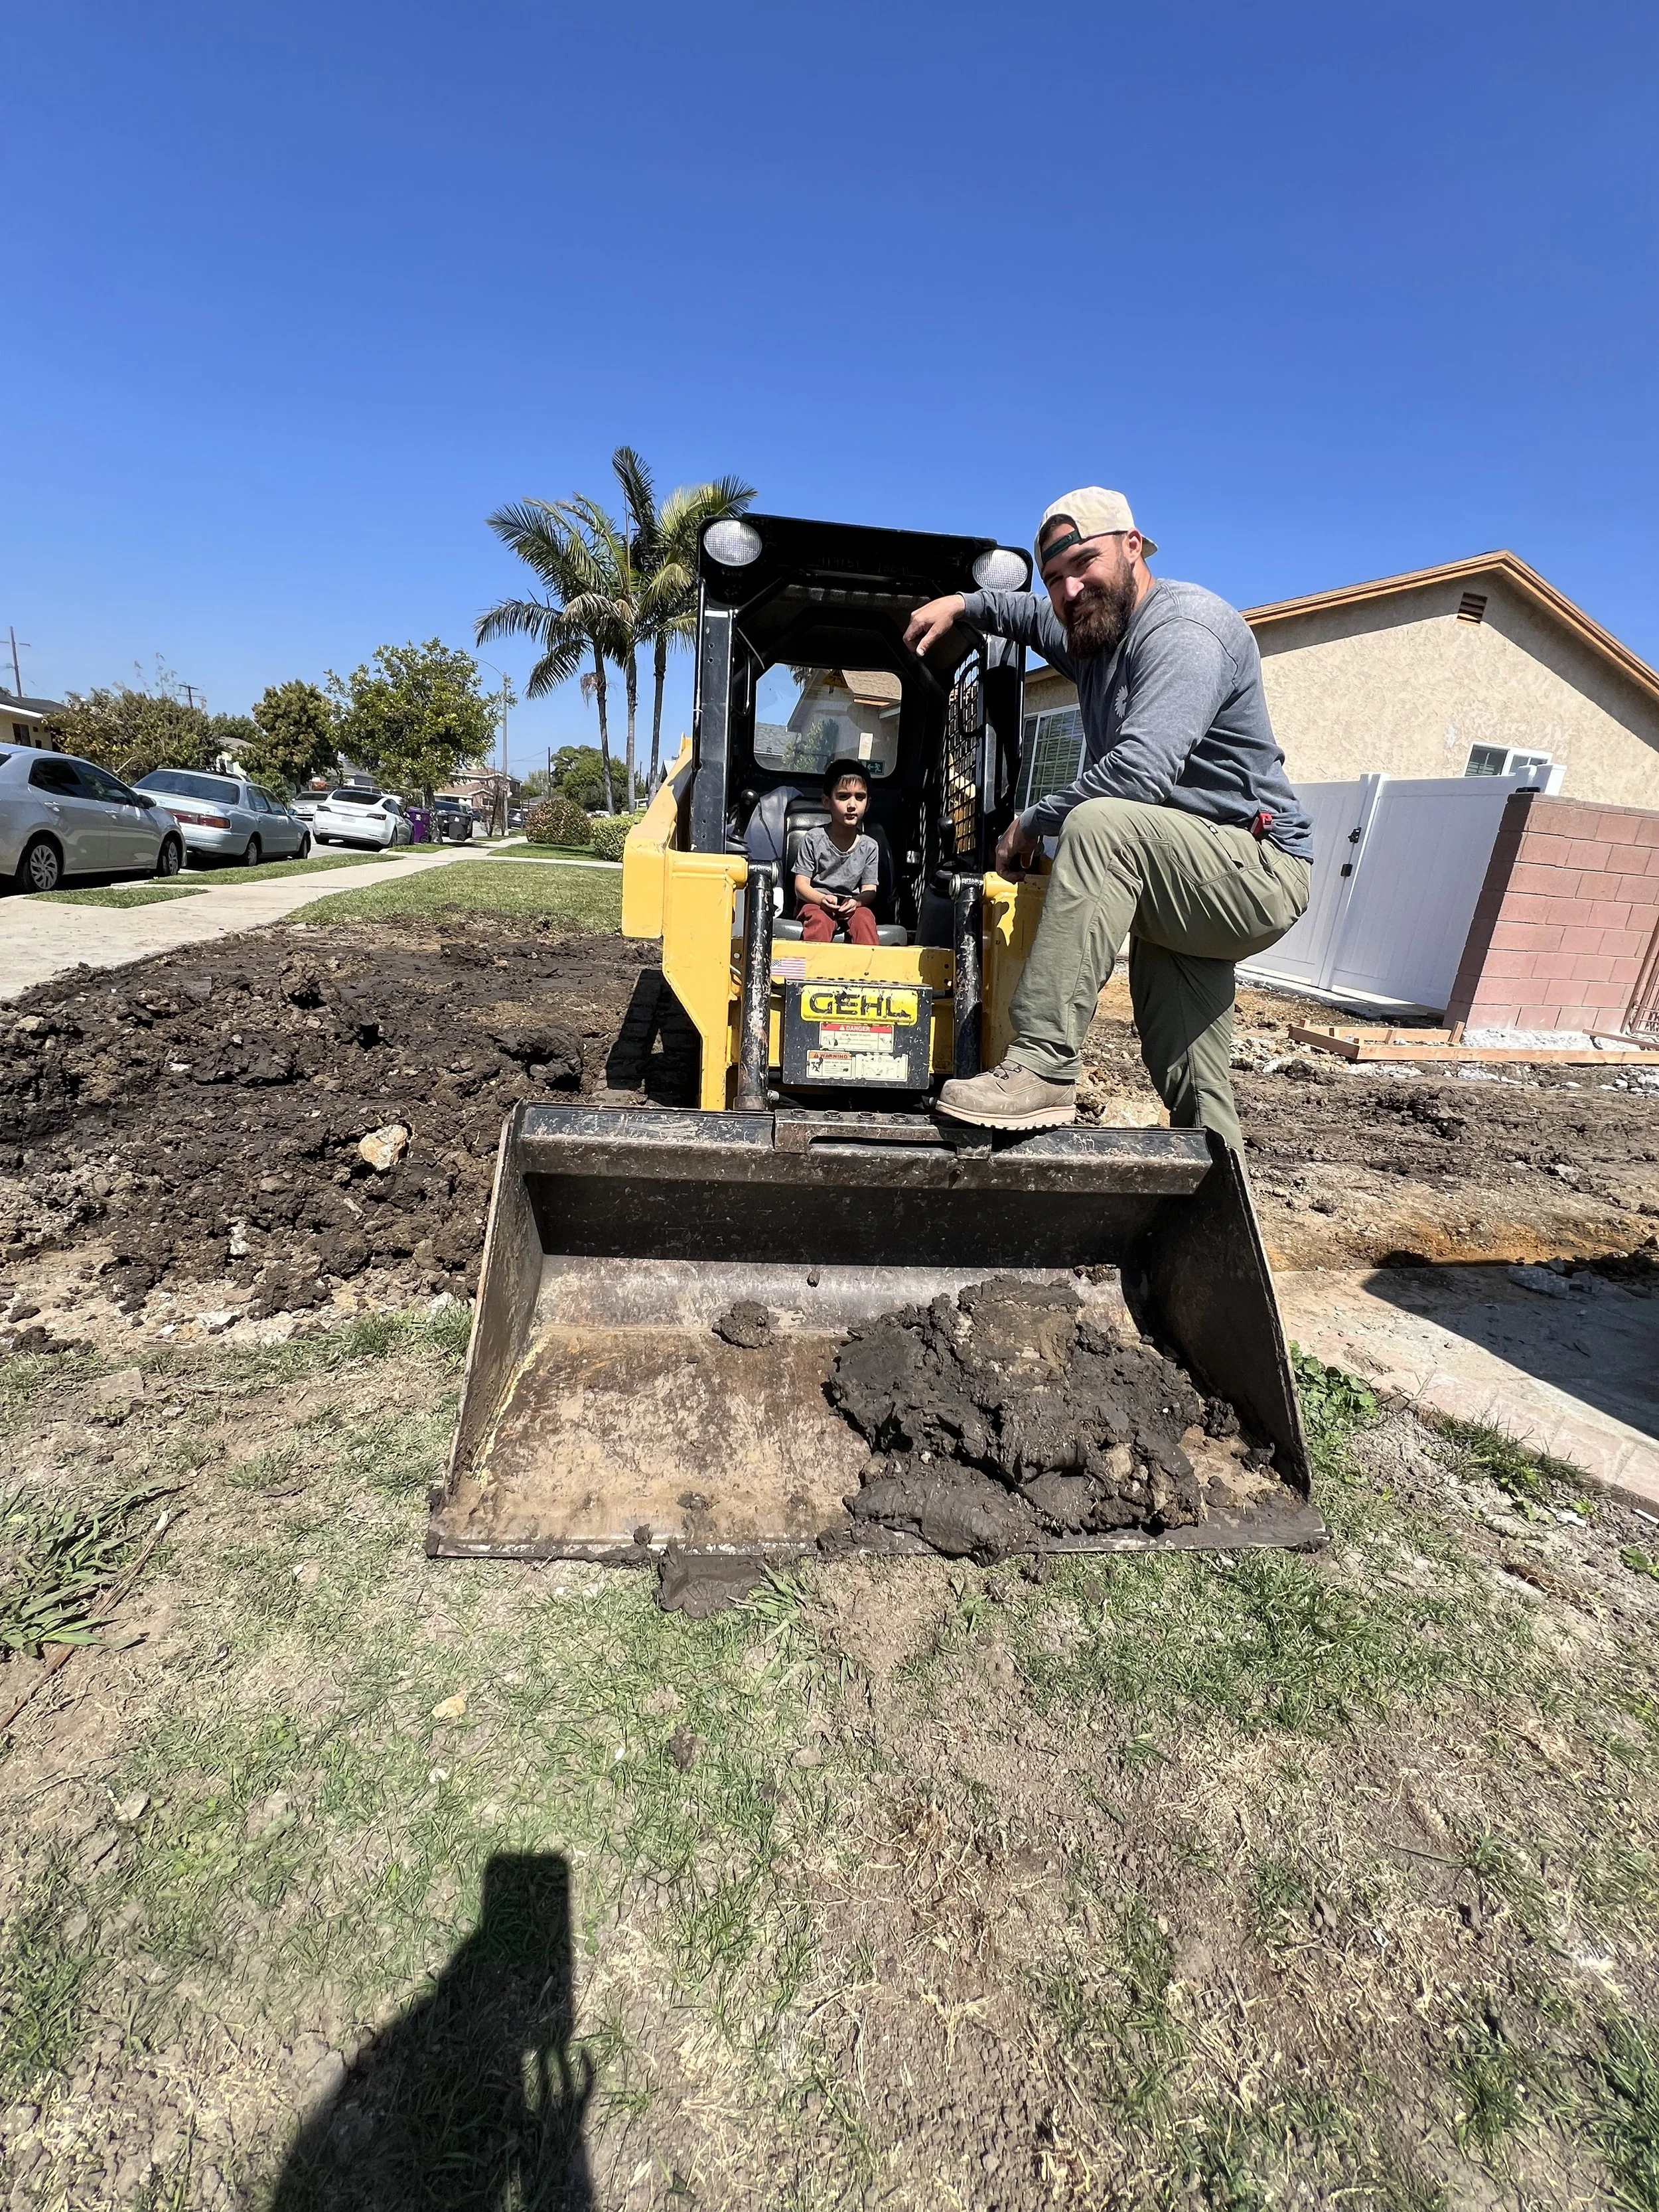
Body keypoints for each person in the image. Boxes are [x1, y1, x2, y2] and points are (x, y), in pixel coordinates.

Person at [903, 488, 1313, 1149]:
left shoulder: (1183, 631)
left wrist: (1032, 820)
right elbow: (1030, 617)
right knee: (1184, 1066)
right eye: (1055, 578)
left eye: (1083, 564)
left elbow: (1140, 773)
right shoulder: (1093, 635)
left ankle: (1041, 1065)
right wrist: (963, 605)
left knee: (1099, 825)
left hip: (1252, 869)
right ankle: (1216, 1207)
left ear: (1132, 546)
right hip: (1184, 871)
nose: (1069, 590)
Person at [795, 758, 882, 945]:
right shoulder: (813, 839)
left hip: (852, 905)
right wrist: (822, 899)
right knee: (819, 921)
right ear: (827, 802)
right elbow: (801, 886)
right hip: (817, 903)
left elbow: (870, 890)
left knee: (865, 918)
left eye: (860, 797)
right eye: (843, 797)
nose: (852, 805)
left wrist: (857, 902)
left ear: (868, 804)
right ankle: (812, 970)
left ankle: (868, 971)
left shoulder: (870, 847)